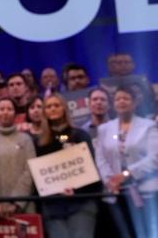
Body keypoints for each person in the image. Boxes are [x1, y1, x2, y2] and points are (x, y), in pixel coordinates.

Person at [94, 86, 158, 238]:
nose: (121, 102)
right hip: (115, 194)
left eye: (126, 98)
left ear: (135, 103)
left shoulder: (149, 126)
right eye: (118, 99)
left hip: (146, 192)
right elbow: (100, 159)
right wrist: (110, 180)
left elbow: (155, 158)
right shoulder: (104, 129)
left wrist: (127, 174)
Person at [35, 94, 101, 238]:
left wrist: (77, 189)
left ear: (64, 108)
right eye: (49, 106)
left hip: (81, 202)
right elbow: (38, 175)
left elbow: (90, 169)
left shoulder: (80, 135)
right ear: (44, 111)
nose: (53, 109)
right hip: (53, 206)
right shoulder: (39, 142)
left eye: (56, 105)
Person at [0, 98, 37, 217]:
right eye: (2, 109)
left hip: (23, 205)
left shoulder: (26, 139)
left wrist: (17, 203)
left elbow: (30, 172)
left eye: (9, 109)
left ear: (15, 114)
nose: (5, 112)